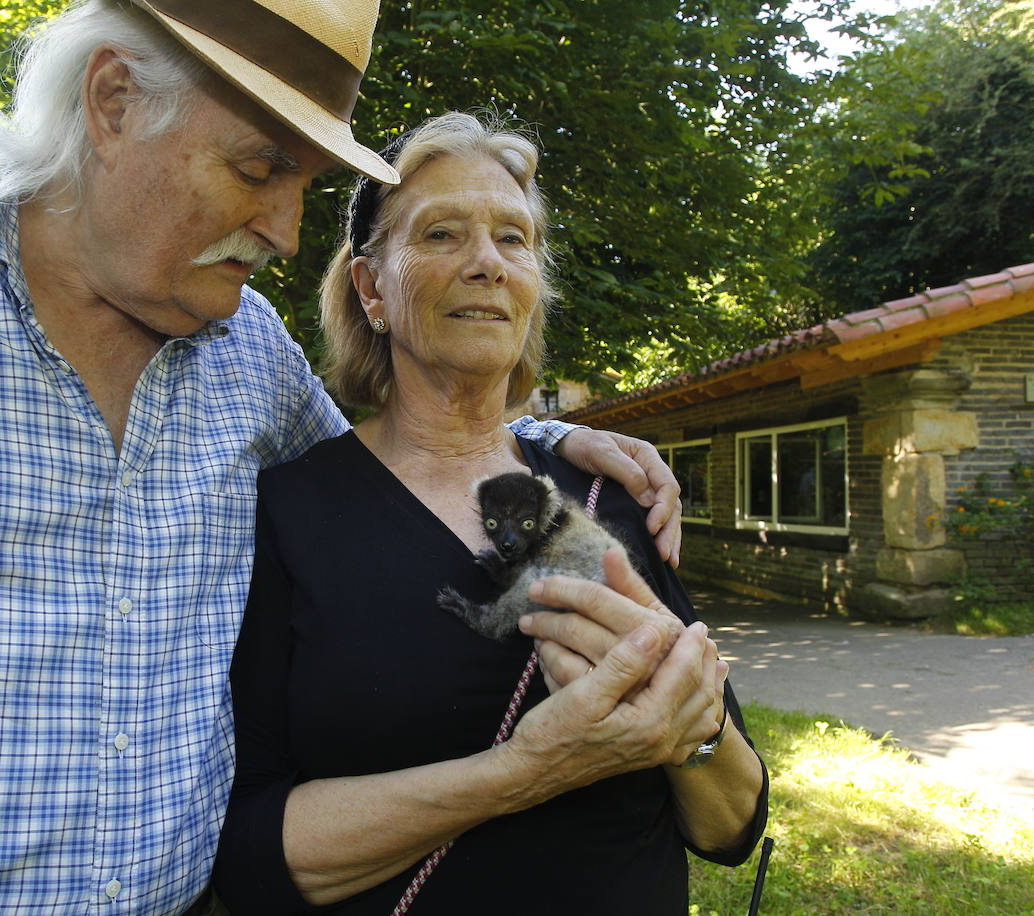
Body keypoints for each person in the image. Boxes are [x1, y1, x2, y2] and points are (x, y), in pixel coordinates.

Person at [0, 2, 683, 914]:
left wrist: (549, 442)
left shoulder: (249, 354)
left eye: (307, 185)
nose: (287, 232)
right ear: (114, 101)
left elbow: (393, 482)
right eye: (260, 169)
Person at [213, 113, 768, 914]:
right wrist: (526, 772)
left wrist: (695, 725)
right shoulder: (288, 514)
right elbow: (253, 854)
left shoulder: (608, 497)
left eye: (514, 240)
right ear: (372, 289)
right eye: (442, 234)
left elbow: (732, 826)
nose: (486, 264)